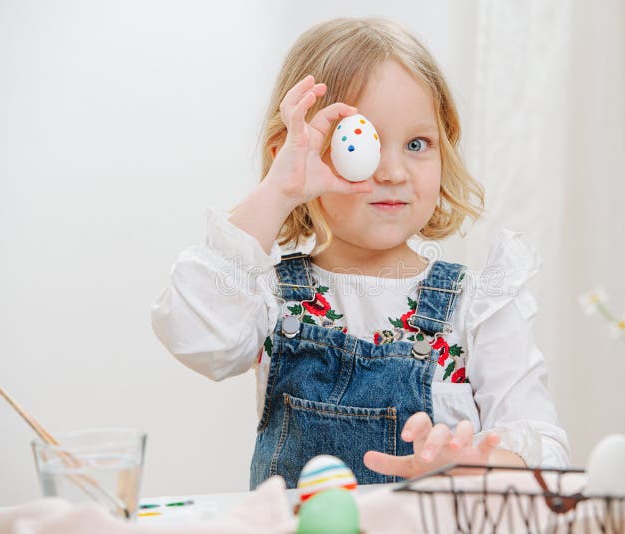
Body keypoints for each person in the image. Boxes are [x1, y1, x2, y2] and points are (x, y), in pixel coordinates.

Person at [151, 17, 569, 490]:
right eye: (362, 143)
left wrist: (475, 461)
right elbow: (192, 335)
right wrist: (279, 188)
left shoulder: (479, 305)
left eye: (417, 144)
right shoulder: (267, 298)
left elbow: (546, 448)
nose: (392, 171)